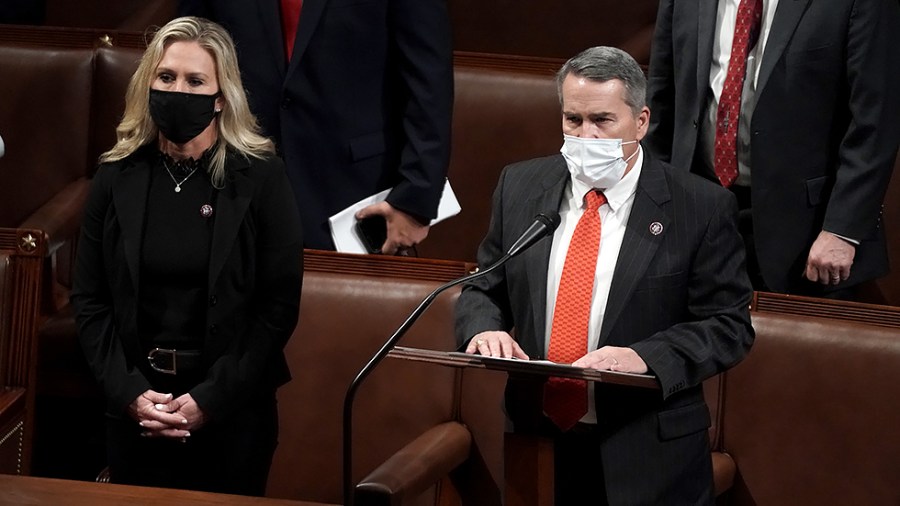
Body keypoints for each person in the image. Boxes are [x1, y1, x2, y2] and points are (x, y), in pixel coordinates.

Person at [455, 47, 754, 504]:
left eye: (602, 120)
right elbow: (484, 284)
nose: (586, 135)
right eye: (573, 120)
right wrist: (483, 328)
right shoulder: (519, 186)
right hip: (538, 437)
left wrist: (646, 357)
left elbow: (729, 326)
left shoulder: (701, 208)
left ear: (641, 121)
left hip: (648, 448)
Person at [70, 17, 303, 496]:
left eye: (195, 81)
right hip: (135, 409)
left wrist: (209, 400)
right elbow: (90, 300)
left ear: (221, 97)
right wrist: (130, 394)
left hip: (232, 413)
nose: (178, 90)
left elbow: (276, 309)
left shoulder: (261, 178)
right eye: (166, 77)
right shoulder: (116, 175)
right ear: (148, 83)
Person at [645, 0, 900, 297]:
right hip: (696, 215)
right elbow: (661, 101)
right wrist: (652, 204)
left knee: (794, 343)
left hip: (807, 233)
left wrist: (843, 229)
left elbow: (876, 122)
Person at [177, 0, 454, 254]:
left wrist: (415, 201)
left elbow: (429, 84)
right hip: (236, 185)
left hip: (354, 196)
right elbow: (186, 49)